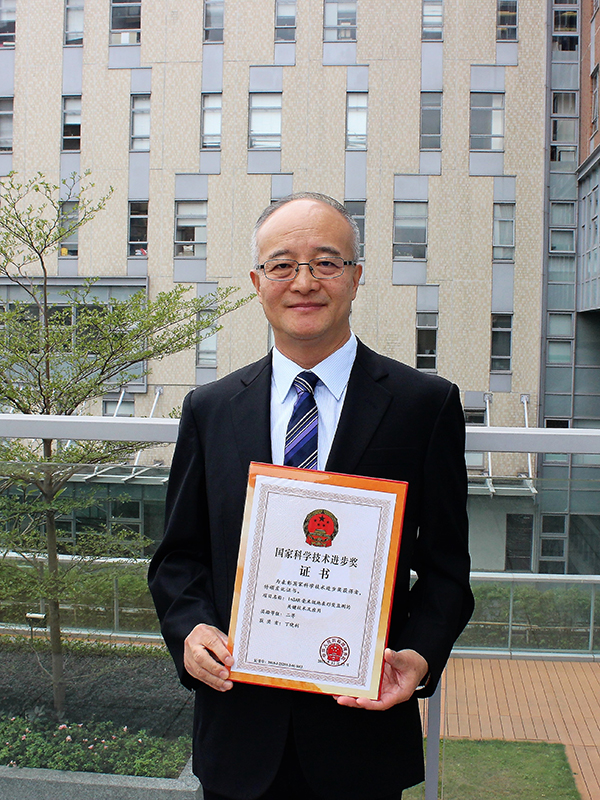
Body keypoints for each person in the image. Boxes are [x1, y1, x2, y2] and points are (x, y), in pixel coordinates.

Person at [148, 193, 473, 800]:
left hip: (362, 733)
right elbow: (178, 559)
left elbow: (447, 569)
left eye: (326, 263)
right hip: (238, 731)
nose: (304, 282)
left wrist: (420, 656)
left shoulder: (424, 406)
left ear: (356, 277)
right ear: (256, 282)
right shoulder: (210, 409)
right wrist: (190, 630)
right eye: (282, 265)